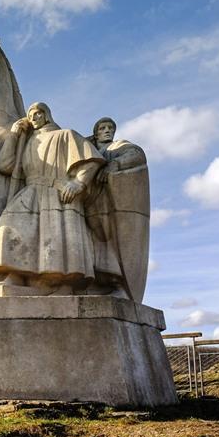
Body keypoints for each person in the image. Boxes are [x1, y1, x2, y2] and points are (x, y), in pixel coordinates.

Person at [0, 102, 105, 294]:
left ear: (46, 115)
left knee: (56, 241)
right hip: (32, 189)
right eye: (30, 115)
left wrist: (79, 183)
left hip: (57, 192)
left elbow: (91, 160)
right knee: (9, 223)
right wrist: (13, 135)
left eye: (38, 114)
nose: (34, 118)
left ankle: (62, 284)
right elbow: (5, 166)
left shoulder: (65, 135)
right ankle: (16, 274)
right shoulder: (25, 142)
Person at [85, 117, 150, 301]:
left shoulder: (119, 146)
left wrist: (115, 164)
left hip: (109, 203)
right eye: (103, 127)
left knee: (111, 243)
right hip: (89, 203)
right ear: (96, 131)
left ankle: (120, 284)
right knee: (92, 244)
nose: (107, 131)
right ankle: (97, 283)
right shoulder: (88, 146)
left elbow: (137, 154)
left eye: (110, 128)